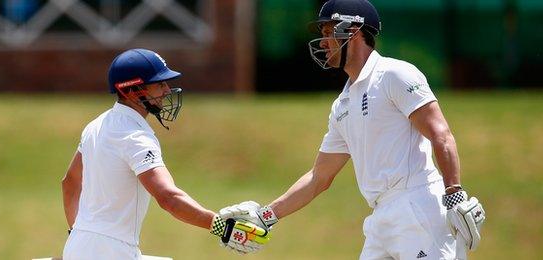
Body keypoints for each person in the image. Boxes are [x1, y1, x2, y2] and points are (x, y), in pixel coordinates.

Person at [219, 1, 485, 259]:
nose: (323, 42)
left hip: (418, 206)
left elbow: (441, 134)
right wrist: (267, 215)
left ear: (353, 31)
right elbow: (318, 177)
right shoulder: (342, 105)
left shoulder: (395, 74)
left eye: (328, 32)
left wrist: (454, 194)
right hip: (381, 217)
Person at [61, 48, 269, 259]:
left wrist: (80, 236)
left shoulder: (95, 126)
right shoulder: (136, 137)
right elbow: (168, 198)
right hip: (114, 252)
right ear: (131, 91)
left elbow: (70, 183)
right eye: (159, 84)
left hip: (77, 246)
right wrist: (221, 227)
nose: (168, 90)